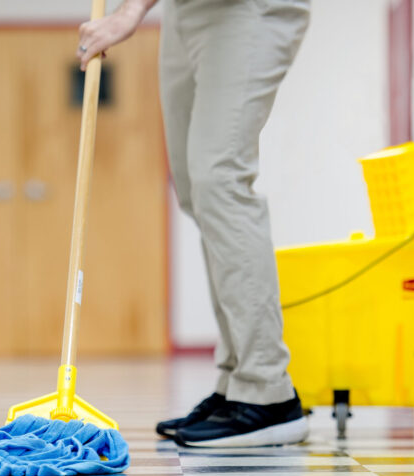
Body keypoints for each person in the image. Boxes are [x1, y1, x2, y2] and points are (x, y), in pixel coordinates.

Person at [78, 0, 310, 447]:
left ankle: (268, 392)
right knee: (195, 189)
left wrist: (128, 13)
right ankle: (235, 385)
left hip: (248, 8)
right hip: (185, 11)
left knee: (220, 182)